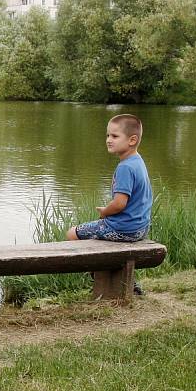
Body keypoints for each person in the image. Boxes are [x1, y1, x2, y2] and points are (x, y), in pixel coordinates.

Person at [66, 114, 152, 293]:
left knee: (73, 233)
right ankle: (124, 281)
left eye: (114, 136)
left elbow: (120, 204)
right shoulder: (138, 161)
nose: (108, 140)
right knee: (95, 236)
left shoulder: (125, 167)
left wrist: (105, 211)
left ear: (132, 140)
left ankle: (100, 279)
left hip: (122, 229)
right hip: (140, 228)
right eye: (107, 136)